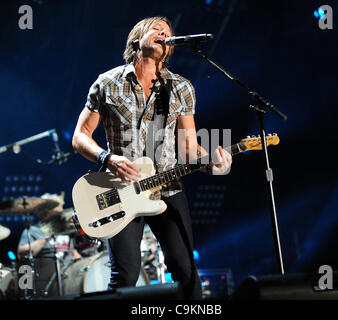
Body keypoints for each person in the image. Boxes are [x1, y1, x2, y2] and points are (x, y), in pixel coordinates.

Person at [72, 16, 232, 300]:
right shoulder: (107, 83)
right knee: (126, 274)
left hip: (167, 188)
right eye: (156, 30)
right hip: (122, 191)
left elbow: (189, 149)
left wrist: (215, 163)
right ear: (136, 40)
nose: (164, 34)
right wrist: (108, 158)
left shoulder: (180, 87)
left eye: (168, 33)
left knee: (185, 269)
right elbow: (80, 136)